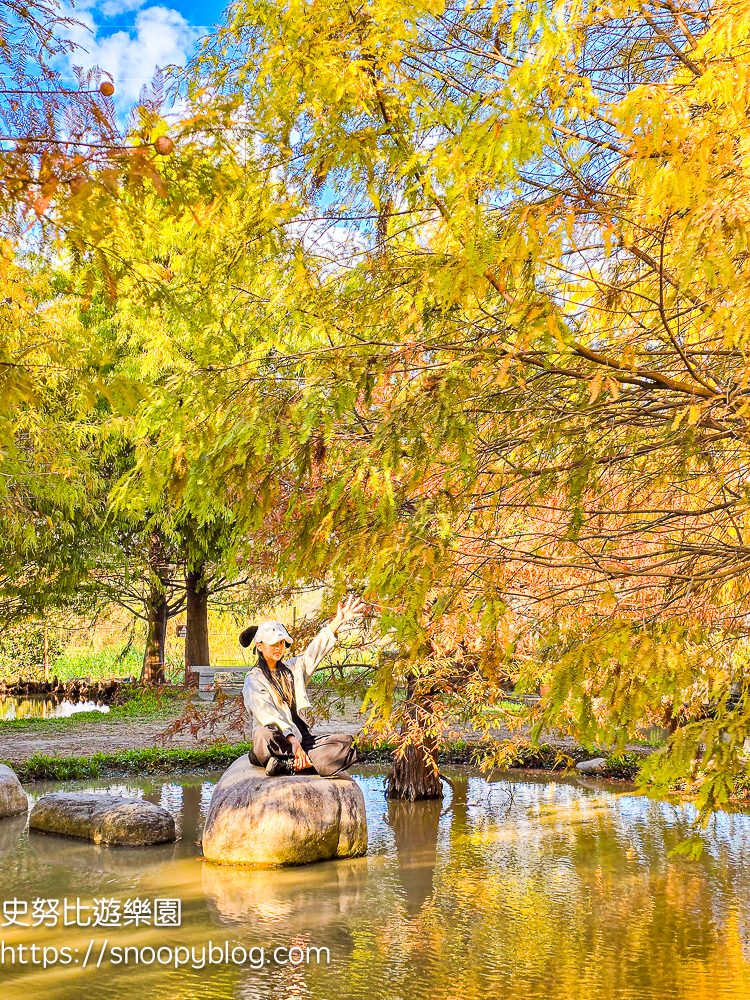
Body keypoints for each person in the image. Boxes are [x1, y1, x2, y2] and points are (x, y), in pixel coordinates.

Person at [240, 595, 364, 777]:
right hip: (277, 741)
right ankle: (297, 761)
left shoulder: (293, 669)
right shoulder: (254, 679)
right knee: (263, 735)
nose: (278, 648)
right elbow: (268, 715)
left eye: (282, 643)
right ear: (259, 646)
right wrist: (293, 742)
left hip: (300, 737)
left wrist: (336, 623)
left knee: (344, 745)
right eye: (273, 644)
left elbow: (314, 653)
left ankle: (289, 765)